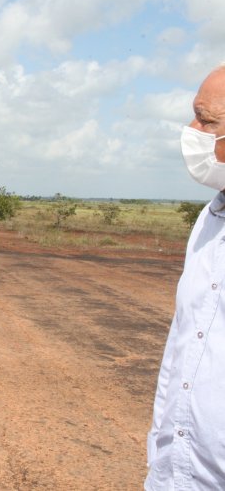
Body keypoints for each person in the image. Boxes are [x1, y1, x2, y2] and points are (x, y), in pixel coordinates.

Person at [146, 65, 225, 489]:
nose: (192, 130)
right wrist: (160, 457)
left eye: (206, 119)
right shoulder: (208, 220)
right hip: (181, 472)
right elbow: (183, 347)